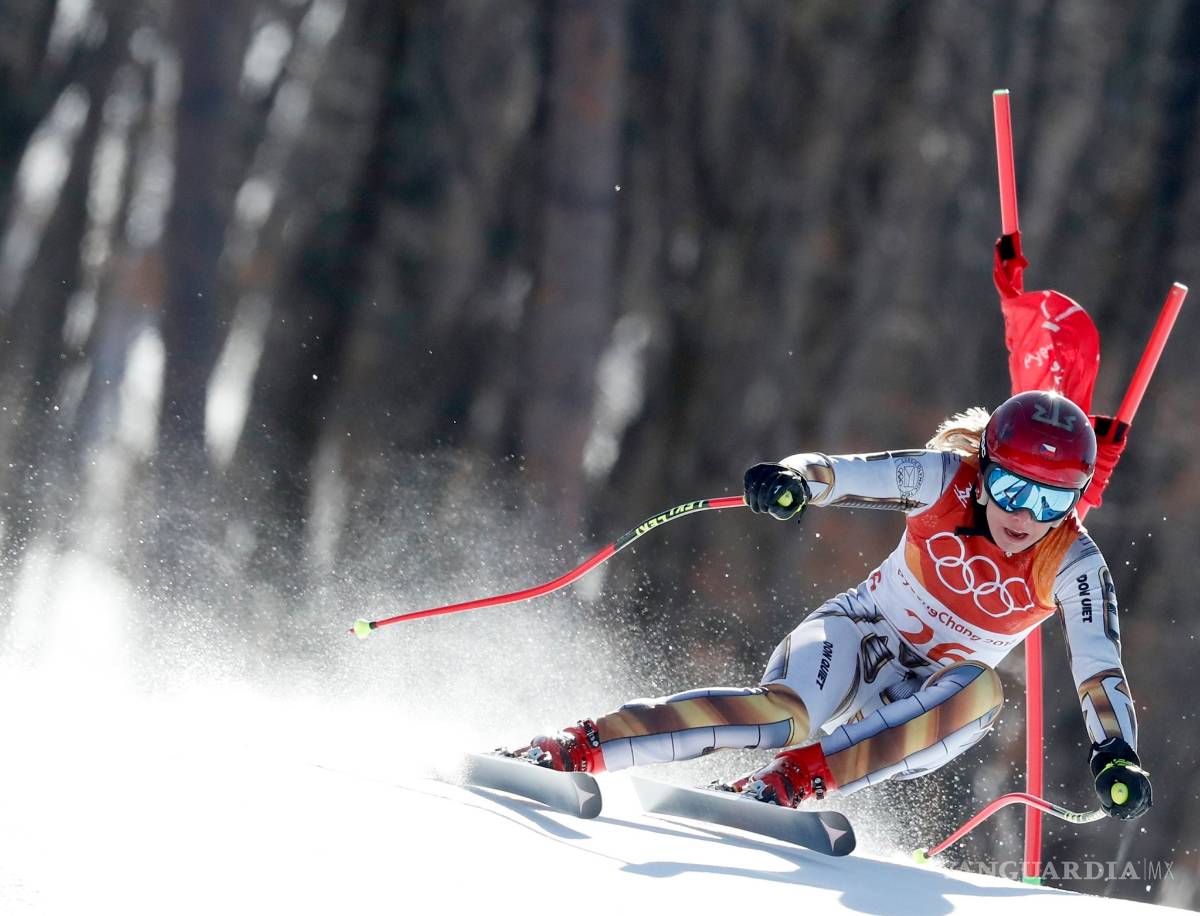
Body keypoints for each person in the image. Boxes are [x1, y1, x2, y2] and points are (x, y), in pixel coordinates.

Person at [512, 389, 1151, 820]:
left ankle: (785, 785)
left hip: (922, 701)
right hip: (858, 634)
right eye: (1012, 488)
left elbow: (1099, 664)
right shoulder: (942, 480)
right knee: (783, 717)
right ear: (984, 470)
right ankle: (577, 746)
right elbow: (843, 472)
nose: (1025, 517)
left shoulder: (1072, 561)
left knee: (981, 691)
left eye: (1051, 502)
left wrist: (1115, 749)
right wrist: (792, 480)